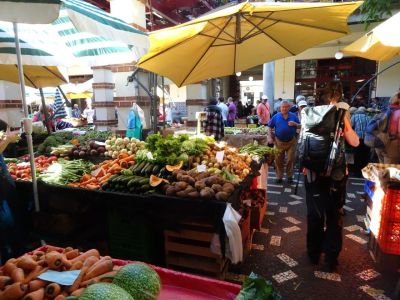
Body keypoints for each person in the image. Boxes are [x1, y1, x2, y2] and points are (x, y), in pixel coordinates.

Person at [302, 81, 359, 272]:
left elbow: (303, 142)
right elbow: (354, 141)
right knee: (334, 215)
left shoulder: (309, 113)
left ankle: (313, 254)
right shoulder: (342, 112)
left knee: (314, 214)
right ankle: (330, 259)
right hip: (335, 174)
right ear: (338, 97)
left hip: (312, 172)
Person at [0, 119, 25, 264]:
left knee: (11, 224)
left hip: (5, 190)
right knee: (6, 224)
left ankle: (14, 256)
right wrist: (6, 141)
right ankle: (9, 259)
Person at [267, 100, 300, 184]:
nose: (284, 108)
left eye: (286, 107)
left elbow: (301, 126)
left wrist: (295, 124)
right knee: (278, 160)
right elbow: (269, 127)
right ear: (280, 108)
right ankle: (279, 177)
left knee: (290, 160)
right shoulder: (276, 116)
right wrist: (270, 137)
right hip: (279, 142)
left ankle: (289, 176)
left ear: (289, 108)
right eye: (283, 107)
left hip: (291, 142)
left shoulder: (293, 116)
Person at [380, 91, 400, 164]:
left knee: (388, 170)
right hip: (395, 146)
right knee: (393, 172)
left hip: (387, 143)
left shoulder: (388, 110)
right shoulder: (397, 112)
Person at [351, 106, 371, 176]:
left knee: (357, 155)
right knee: (365, 156)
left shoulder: (355, 116)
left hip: (358, 139)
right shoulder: (368, 118)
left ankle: (357, 172)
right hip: (367, 139)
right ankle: (364, 172)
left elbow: (351, 126)